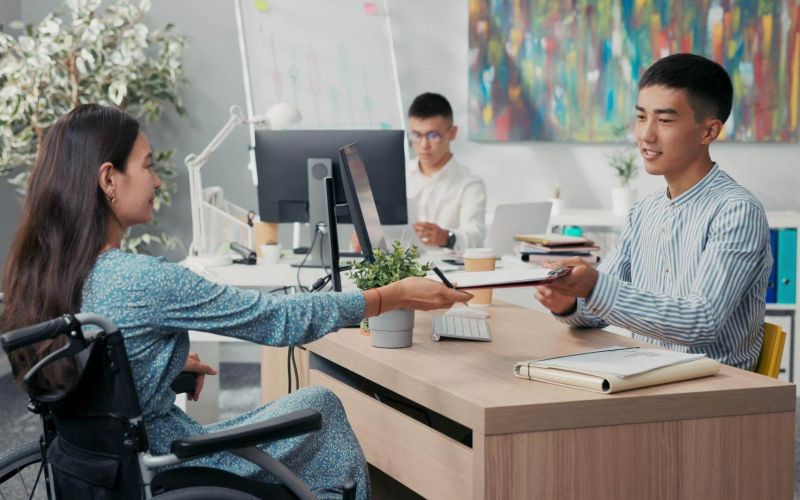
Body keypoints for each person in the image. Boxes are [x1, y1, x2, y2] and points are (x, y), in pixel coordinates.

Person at [1, 104, 472, 499]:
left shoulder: (39, 275)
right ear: (109, 179)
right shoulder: (141, 280)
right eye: (147, 166)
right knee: (321, 403)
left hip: (103, 468)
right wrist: (387, 296)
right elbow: (277, 320)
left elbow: (90, 371)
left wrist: (156, 368)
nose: (158, 182)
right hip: (170, 464)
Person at [535, 53, 771, 370]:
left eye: (665, 120)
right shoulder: (645, 212)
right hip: (649, 373)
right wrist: (568, 301)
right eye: (641, 117)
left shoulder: (736, 211)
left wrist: (594, 286)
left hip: (715, 388)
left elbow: (700, 321)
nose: (646, 135)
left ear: (709, 132)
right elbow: (595, 309)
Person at [405, 92, 487, 252]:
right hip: (401, 266)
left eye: (433, 135)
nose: (424, 145)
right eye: (416, 135)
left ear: (452, 133)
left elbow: (475, 237)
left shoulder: (469, 184)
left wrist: (447, 238)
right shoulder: (399, 176)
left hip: (446, 266)